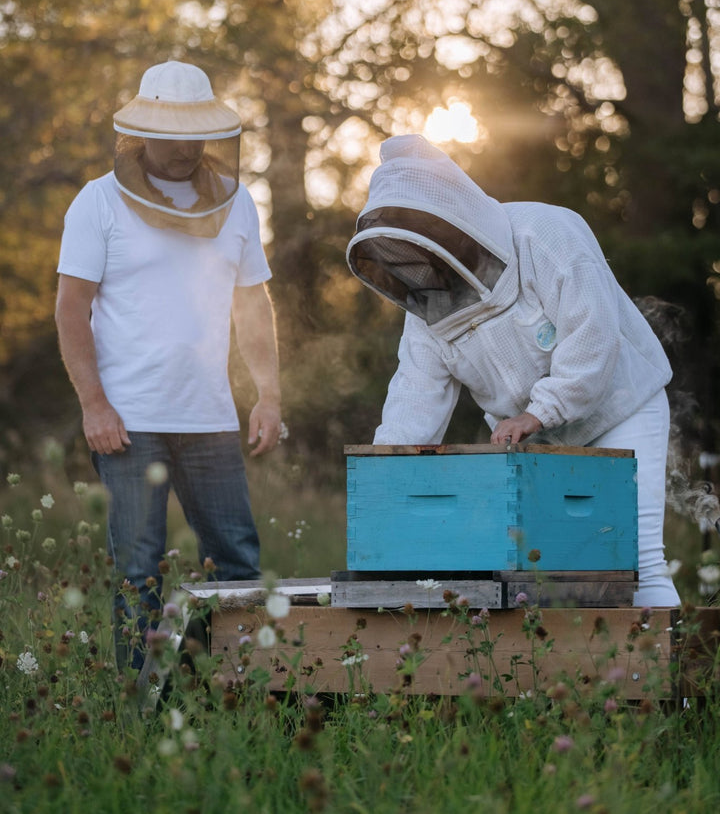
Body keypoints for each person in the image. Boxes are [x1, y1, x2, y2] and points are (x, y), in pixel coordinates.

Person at [346, 134, 679, 607]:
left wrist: (539, 411)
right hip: (533, 442)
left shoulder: (547, 233)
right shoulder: (429, 307)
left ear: (450, 222)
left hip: (620, 408)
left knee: (638, 561)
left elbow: (593, 336)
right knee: (548, 581)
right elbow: (414, 394)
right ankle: (591, 679)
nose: (420, 269)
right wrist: (383, 476)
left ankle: (674, 680)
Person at [55, 60, 283, 669]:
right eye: (171, 135)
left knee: (237, 562)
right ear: (143, 131)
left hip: (210, 417)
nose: (184, 150)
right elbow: (71, 308)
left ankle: (235, 691)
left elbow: (252, 303)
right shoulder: (98, 201)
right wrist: (94, 404)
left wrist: (268, 395)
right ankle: (139, 712)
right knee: (139, 571)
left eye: (194, 135)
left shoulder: (237, 205)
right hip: (129, 422)